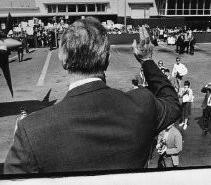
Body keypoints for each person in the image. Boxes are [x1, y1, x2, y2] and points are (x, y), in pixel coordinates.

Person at [4, 18, 181, 174]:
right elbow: (172, 101)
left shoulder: (31, 130)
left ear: (63, 59)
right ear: (107, 60)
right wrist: (147, 60)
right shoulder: (142, 104)